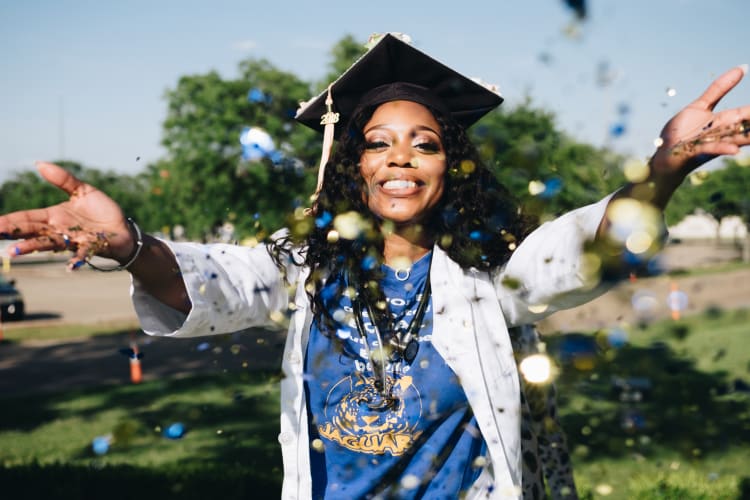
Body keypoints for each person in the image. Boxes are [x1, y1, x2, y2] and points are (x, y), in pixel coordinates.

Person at [1, 33, 748, 499]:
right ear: (351, 164)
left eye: (424, 143)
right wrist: (132, 245)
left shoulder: (489, 279)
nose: (399, 156)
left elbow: (582, 249)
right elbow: (213, 281)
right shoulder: (304, 270)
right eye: (378, 141)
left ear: (450, 166)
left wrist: (666, 167)